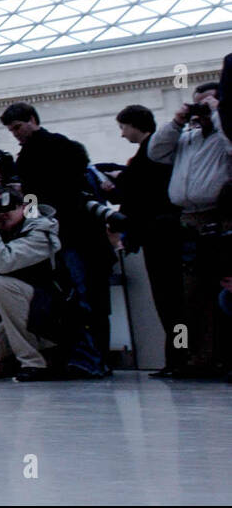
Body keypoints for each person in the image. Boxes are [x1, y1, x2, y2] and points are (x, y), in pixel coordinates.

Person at [0, 101, 110, 375]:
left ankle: (90, 359)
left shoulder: (33, 157)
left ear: (32, 120)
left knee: (81, 299)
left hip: (68, 237)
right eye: (12, 130)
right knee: (88, 300)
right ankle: (96, 359)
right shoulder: (64, 148)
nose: (17, 134)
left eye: (18, 127)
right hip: (76, 235)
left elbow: (39, 200)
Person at [147, 83, 232, 377]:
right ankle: (200, 358)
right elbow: (155, 152)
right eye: (197, 103)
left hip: (220, 217)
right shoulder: (189, 136)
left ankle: (224, 358)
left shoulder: (224, 134)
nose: (202, 110)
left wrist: (219, 112)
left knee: (223, 291)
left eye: (208, 103)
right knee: (193, 296)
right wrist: (178, 120)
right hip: (188, 220)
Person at [99, 105, 187, 377]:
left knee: (169, 301)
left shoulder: (149, 154)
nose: (123, 135)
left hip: (158, 235)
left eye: (124, 128)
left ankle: (179, 359)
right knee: (171, 300)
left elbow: (140, 194)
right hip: (161, 233)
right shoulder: (151, 155)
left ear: (135, 125)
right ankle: (179, 357)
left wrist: (117, 188)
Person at [0, 187, 64, 381]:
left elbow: (4, 261)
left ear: (25, 207)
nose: (2, 215)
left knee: (1, 283)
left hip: (50, 314)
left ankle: (35, 363)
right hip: (17, 317)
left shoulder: (41, 231)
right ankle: (40, 363)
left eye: (9, 209)